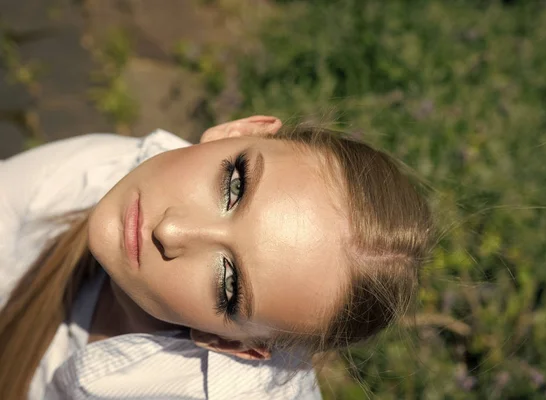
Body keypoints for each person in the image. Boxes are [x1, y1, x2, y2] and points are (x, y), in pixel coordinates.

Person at [0, 115, 433, 399]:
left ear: (237, 345)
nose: (171, 231)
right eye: (234, 186)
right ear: (237, 130)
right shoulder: (94, 171)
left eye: (229, 285)